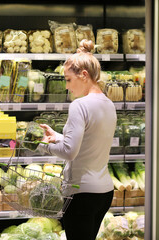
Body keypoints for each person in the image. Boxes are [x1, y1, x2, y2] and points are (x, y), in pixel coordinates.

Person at [39, 39, 117, 240]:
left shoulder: (79, 105)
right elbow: (88, 142)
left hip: (81, 193)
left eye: (68, 79)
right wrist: (56, 137)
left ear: (84, 75)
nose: (66, 87)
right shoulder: (108, 104)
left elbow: (70, 152)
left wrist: (43, 146)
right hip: (104, 192)